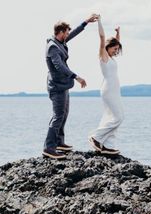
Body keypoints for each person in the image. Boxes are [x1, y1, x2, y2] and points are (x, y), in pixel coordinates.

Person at [43, 15, 98, 160]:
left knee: (64, 113)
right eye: (66, 32)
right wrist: (76, 76)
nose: (68, 35)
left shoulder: (60, 41)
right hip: (57, 86)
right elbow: (59, 66)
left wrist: (85, 22)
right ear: (60, 32)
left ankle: (59, 142)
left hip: (63, 85)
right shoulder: (53, 47)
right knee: (58, 116)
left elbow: (73, 34)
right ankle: (49, 147)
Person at [88, 17, 124, 155]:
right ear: (108, 48)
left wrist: (118, 33)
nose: (116, 51)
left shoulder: (111, 57)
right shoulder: (103, 56)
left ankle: (108, 145)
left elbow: (116, 43)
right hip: (108, 90)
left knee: (113, 117)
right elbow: (102, 37)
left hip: (114, 90)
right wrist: (99, 22)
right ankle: (96, 137)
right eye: (114, 49)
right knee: (118, 117)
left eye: (117, 49)